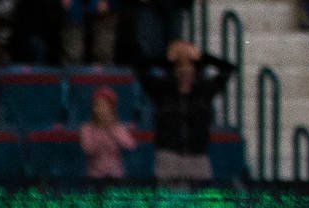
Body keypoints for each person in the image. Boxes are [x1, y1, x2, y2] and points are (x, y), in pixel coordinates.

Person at [140, 39, 232, 182]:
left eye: (189, 66)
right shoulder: (162, 90)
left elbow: (228, 69)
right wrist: (167, 58)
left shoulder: (204, 90)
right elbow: (140, 68)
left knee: (201, 201)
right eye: (179, 66)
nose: (184, 70)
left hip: (198, 156)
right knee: (168, 201)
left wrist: (202, 57)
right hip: (168, 155)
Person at [80, 83, 136, 179]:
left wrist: (111, 128)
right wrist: (100, 129)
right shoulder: (86, 128)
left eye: (105, 106)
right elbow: (88, 150)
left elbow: (130, 146)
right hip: (95, 175)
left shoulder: (118, 127)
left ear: (112, 108)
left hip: (116, 174)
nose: (102, 109)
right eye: (98, 105)